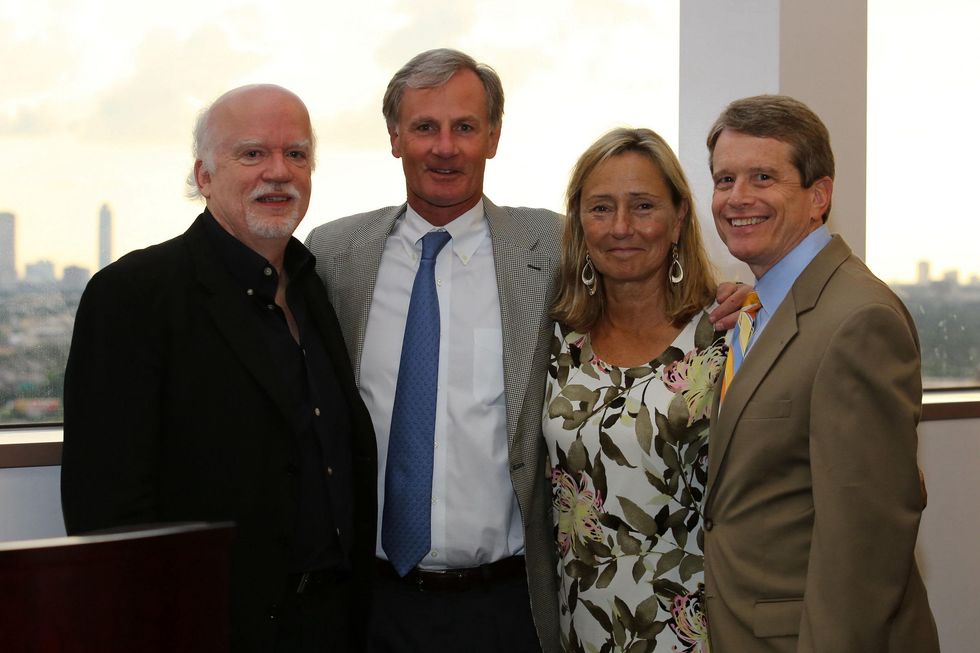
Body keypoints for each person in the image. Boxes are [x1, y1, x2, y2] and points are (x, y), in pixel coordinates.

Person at [60, 84, 377, 653]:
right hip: (209, 628)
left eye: (296, 154)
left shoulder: (314, 286)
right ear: (203, 175)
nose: (278, 172)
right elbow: (106, 509)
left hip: (332, 622)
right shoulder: (133, 295)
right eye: (252, 153)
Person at [305, 48, 562, 653]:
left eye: (465, 127)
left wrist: (726, 302)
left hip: (507, 608)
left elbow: (643, 304)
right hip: (370, 605)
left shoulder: (552, 248)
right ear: (395, 137)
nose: (444, 147)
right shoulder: (333, 254)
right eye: (425, 127)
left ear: (493, 137)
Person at [702, 95, 940, 652]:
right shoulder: (757, 310)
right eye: (724, 179)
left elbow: (865, 547)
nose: (738, 198)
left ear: (819, 196)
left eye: (763, 176)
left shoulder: (860, 321)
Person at [543, 128, 725, 652]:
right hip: (579, 625)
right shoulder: (558, 339)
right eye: (601, 208)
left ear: (679, 218)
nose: (622, 227)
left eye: (643, 206)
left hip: (694, 631)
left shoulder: (727, 337)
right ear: (580, 221)